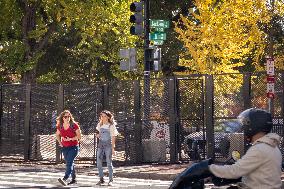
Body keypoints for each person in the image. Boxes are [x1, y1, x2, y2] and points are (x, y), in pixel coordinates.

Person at [170, 108, 282, 189]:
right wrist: (214, 174)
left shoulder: (260, 149)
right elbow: (252, 172)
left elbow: (235, 171)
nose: (243, 128)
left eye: (245, 125)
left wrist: (208, 169)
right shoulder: (271, 147)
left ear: (252, 126)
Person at [55, 110, 81, 186]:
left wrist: (70, 139)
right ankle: (74, 179)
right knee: (70, 163)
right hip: (65, 147)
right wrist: (60, 143)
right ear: (62, 118)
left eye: (69, 116)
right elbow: (57, 135)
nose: (67, 118)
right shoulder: (60, 126)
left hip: (74, 147)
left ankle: (65, 178)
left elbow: (79, 136)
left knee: (69, 163)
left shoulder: (74, 125)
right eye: (65, 116)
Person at [95, 110, 119, 186]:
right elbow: (97, 133)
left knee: (109, 162)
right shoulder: (100, 124)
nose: (102, 117)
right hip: (100, 145)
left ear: (108, 117)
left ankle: (111, 180)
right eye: (101, 116)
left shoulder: (111, 125)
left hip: (108, 145)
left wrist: (113, 148)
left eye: (104, 116)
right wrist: (97, 135)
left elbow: (113, 137)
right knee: (98, 162)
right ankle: (101, 179)